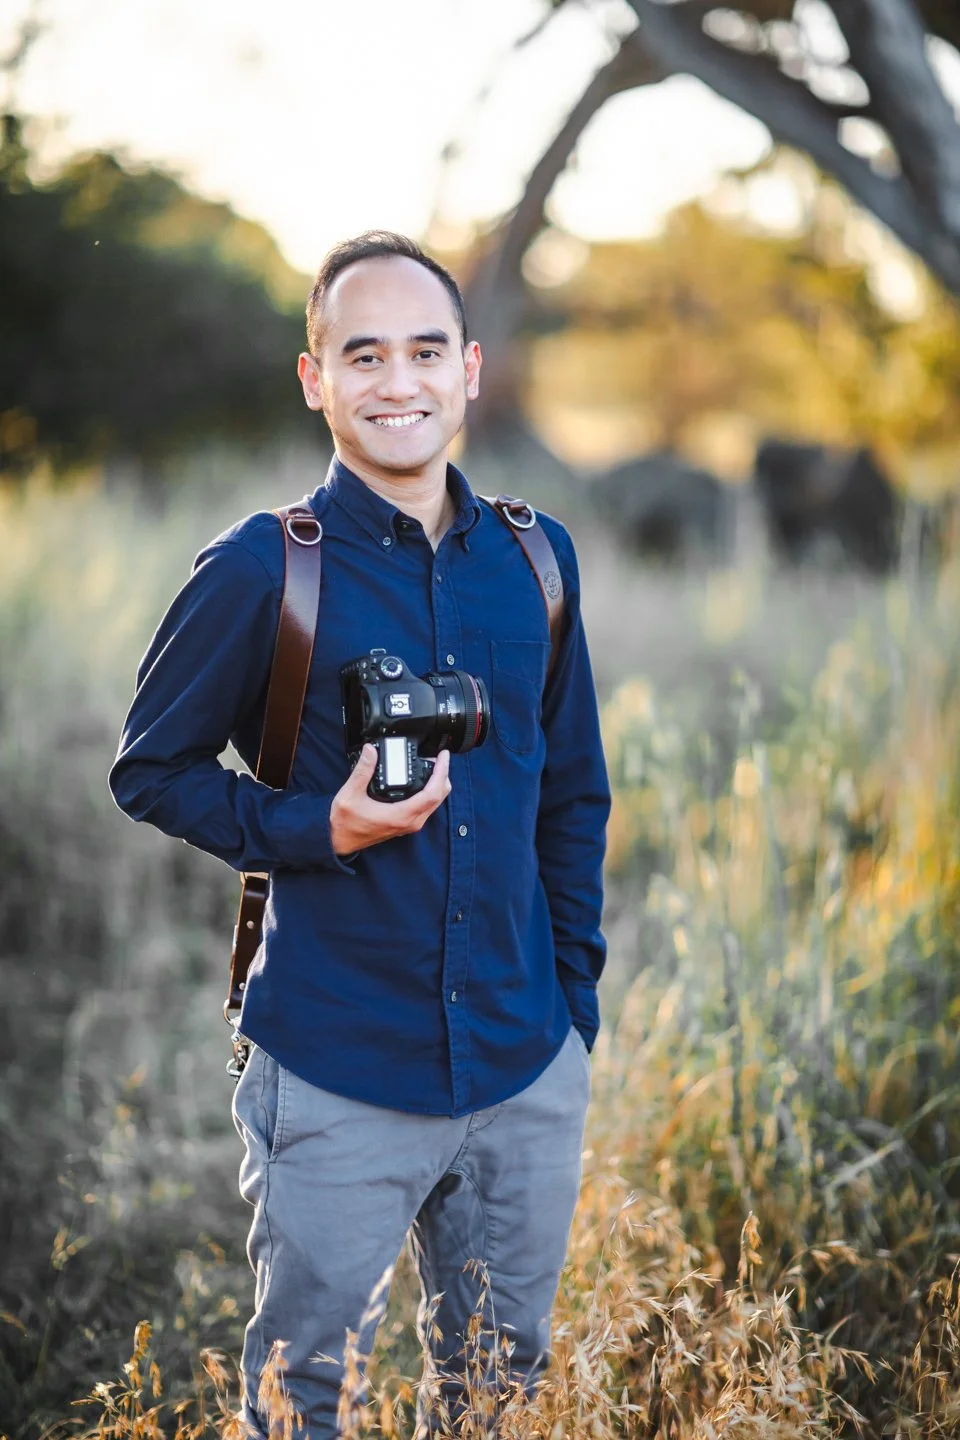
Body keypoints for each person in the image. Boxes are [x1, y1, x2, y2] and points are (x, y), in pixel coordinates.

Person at [109, 231, 611, 1438]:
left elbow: (573, 797)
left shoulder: (537, 561)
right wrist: (310, 827)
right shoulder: (264, 568)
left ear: (472, 368)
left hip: (522, 1061)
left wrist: (573, 1014)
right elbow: (151, 771)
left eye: (426, 350)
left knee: (496, 1388)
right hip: (335, 1065)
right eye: (365, 353)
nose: (401, 383)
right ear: (314, 376)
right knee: (303, 1398)